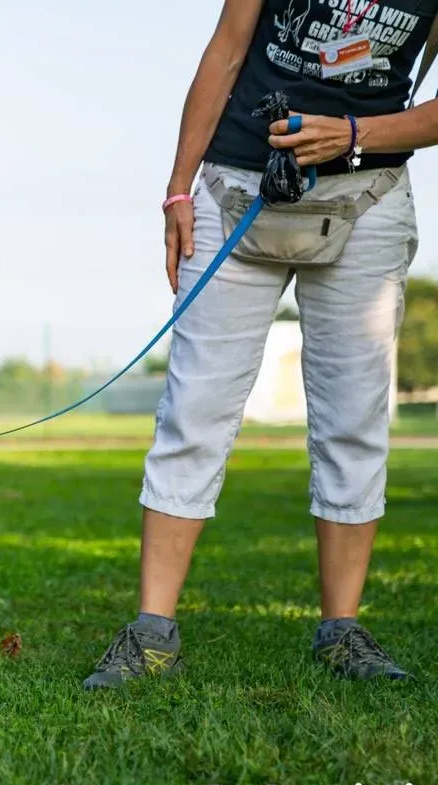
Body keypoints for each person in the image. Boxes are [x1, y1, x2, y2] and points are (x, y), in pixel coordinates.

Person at [84, 0, 438, 689]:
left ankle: (342, 631)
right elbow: (225, 50)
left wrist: (356, 134)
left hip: (366, 195)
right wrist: (177, 191)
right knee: (195, 409)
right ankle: (152, 632)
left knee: (354, 418)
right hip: (233, 189)